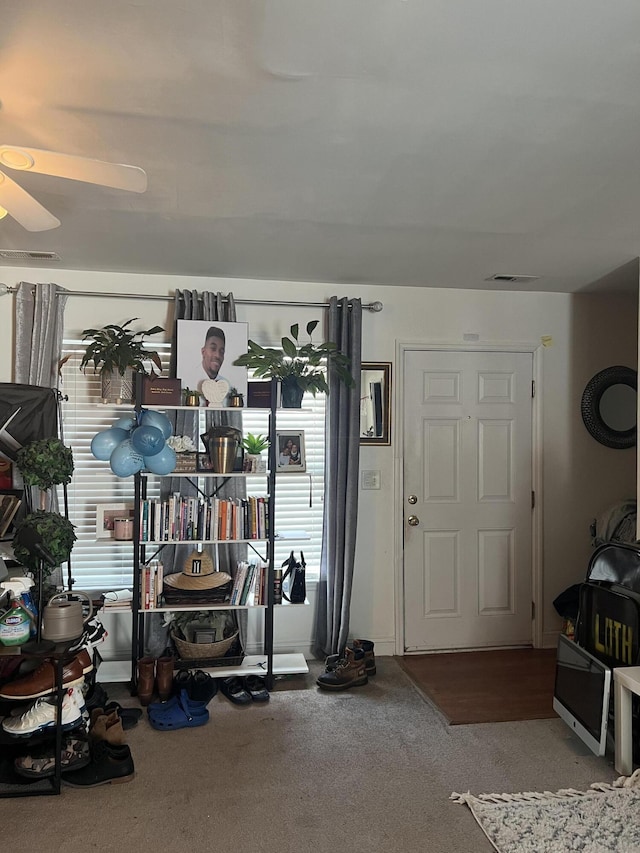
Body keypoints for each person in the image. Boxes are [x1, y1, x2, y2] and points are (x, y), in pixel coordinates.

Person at [199, 326, 230, 404]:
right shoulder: (188, 379)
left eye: (221, 352)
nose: (217, 355)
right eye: (213, 348)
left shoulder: (227, 386)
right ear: (203, 352)